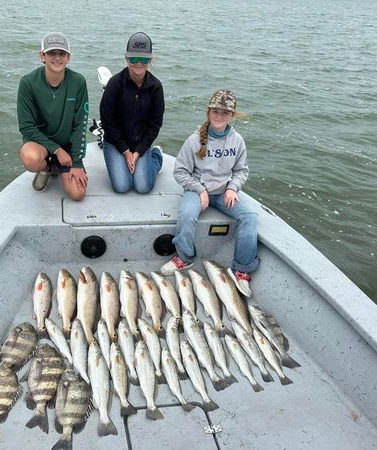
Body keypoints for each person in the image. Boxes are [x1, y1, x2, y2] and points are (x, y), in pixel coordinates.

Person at [160, 90, 259, 297]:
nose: (219, 116)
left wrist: (232, 188)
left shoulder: (237, 140)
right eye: (215, 111)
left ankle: (241, 269)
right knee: (187, 215)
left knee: (249, 216)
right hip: (197, 189)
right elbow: (180, 172)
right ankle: (185, 258)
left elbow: (242, 170)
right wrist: (200, 190)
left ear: (232, 115)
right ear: (208, 112)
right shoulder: (194, 140)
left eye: (225, 112)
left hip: (225, 192)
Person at [17, 32, 89, 200]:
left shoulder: (78, 82)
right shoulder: (28, 82)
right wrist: (56, 150)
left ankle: (59, 166)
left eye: (62, 53)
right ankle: (48, 167)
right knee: (30, 158)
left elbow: (80, 124)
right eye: (51, 53)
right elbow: (26, 128)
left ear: (68, 57)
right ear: (42, 56)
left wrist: (76, 162)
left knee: (78, 193)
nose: (57, 58)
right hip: (41, 144)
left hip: (68, 147)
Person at [99, 32, 165, 194]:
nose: (138, 63)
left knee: (143, 187)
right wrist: (125, 151)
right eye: (133, 59)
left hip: (140, 142)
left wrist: (138, 151)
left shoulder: (156, 88)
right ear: (126, 58)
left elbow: (154, 125)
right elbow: (107, 122)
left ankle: (156, 156)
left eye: (143, 59)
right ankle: (127, 158)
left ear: (150, 60)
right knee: (122, 186)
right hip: (115, 142)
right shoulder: (114, 84)